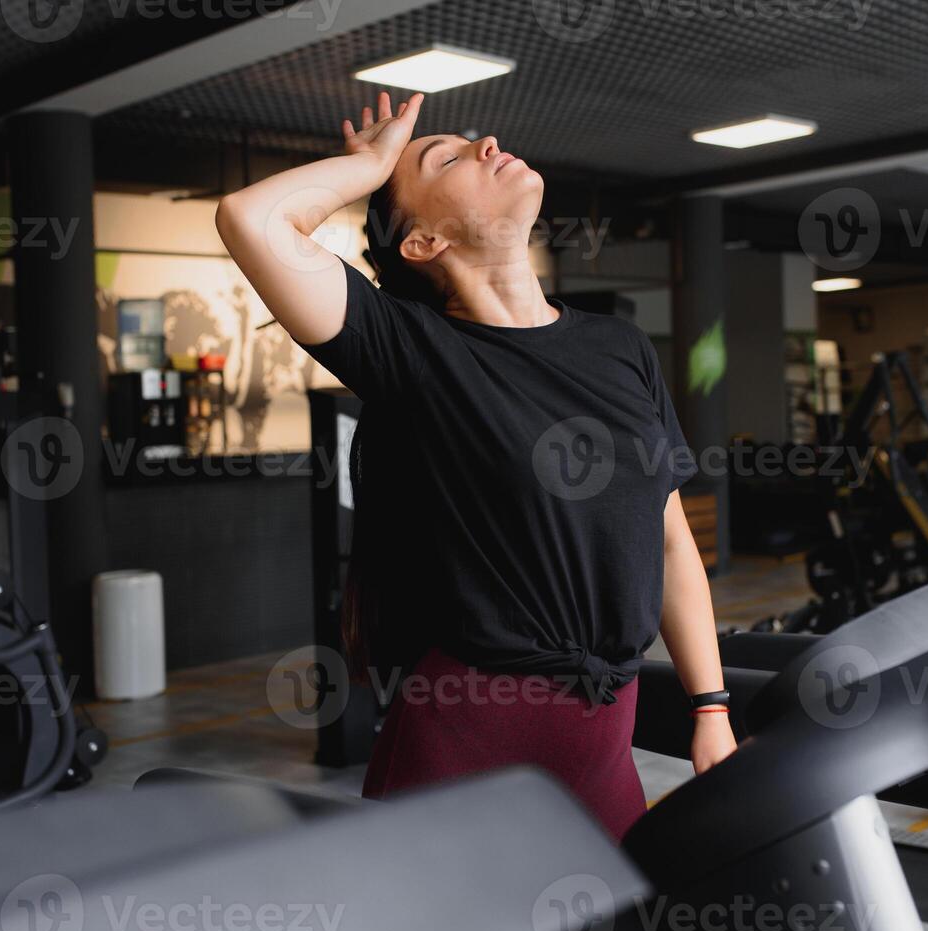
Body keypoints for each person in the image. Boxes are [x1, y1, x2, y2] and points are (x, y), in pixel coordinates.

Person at [216, 92, 735, 841]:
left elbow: (670, 542)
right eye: (450, 157)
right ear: (423, 243)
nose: (489, 141)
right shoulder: (411, 350)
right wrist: (368, 166)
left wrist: (709, 708)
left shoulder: (622, 349)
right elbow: (250, 220)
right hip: (464, 747)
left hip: (601, 751)